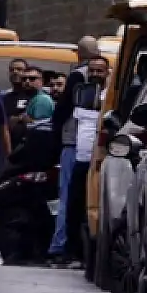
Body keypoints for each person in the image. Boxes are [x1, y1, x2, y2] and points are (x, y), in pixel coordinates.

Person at [49, 53, 108, 268]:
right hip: (74, 149)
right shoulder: (79, 92)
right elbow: (60, 117)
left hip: (100, 152)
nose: (95, 75)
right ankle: (61, 247)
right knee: (69, 198)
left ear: (107, 73)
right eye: (91, 70)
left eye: (99, 71)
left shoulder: (110, 95)